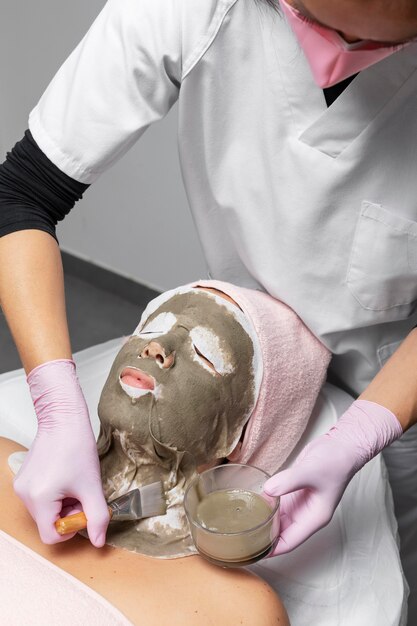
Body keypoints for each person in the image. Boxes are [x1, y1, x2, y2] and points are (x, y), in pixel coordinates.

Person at [1, 0, 417, 614]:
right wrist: (58, 408)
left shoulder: (235, 609)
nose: (156, 349)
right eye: (317, 18)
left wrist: (362, 435)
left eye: (373, 38)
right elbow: (22, 194)